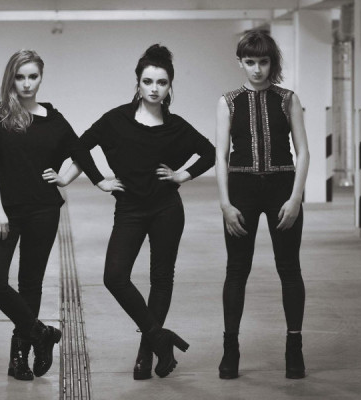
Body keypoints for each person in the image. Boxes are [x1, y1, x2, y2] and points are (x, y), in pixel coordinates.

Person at [76, 44, 215, 379]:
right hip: (130, 209)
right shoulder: (116, 120)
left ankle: (146, 355)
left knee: (161, 278)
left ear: (169, 86)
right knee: (114, 277)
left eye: (162, 82)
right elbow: (79, 146)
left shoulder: (176, 126)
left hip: (167, 209)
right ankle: (159, 338)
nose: (154, 88)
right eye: (148, 81)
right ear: (137, 83)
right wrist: (100, 181)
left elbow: (210, 152)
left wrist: (182, 175)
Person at [0, 50, 96, 381]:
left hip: (43, 210)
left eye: (33, 76)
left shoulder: (53, 120)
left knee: (30, 283)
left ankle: (19, 357)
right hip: (5, 212)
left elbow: (81, 152)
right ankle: (41, 333)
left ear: (41, 78)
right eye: (20, 77)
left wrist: (65, 178)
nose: (27, 83)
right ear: (10, 78)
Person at [215, 30, 309, 380]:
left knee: (289, 268)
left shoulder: (287, 99)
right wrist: (225, 204)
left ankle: (294, 348)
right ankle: (231, 349)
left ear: (273, 62)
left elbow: (304, 152)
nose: (257, 69)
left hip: (283, 187)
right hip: (241, 189)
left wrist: (296, 198)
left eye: (263, 62)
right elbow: (220, 156)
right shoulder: (228, 101)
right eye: (250, 61)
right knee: (237, 270)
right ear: (240, 62)